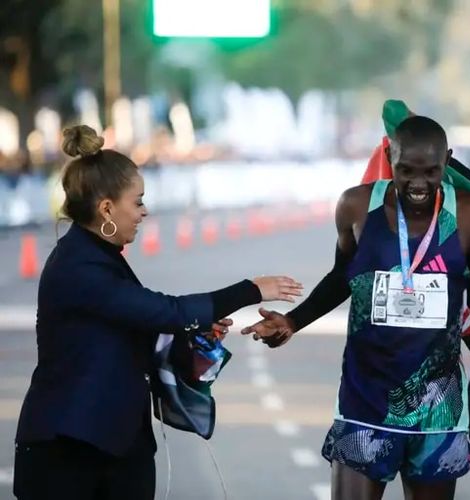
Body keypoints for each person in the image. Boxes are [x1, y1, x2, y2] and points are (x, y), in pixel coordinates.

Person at [242, 116, 470, 500]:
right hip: (365, 399)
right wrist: (293, 320)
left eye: (430, 172)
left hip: (438, 407)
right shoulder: (357, 206)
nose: (417, 184)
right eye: (406, 170)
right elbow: (343, 277)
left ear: (447, 161)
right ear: (390, 157)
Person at [13, 125, 303, 500]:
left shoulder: (99, 257)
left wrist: (193, 334)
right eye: (137, 202)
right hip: (71, 446)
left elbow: (142, 327)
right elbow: (163, 310)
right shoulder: (78, 266)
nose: (145, 212)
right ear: (106, 208)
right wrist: (251, 290)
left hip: (115, 442)